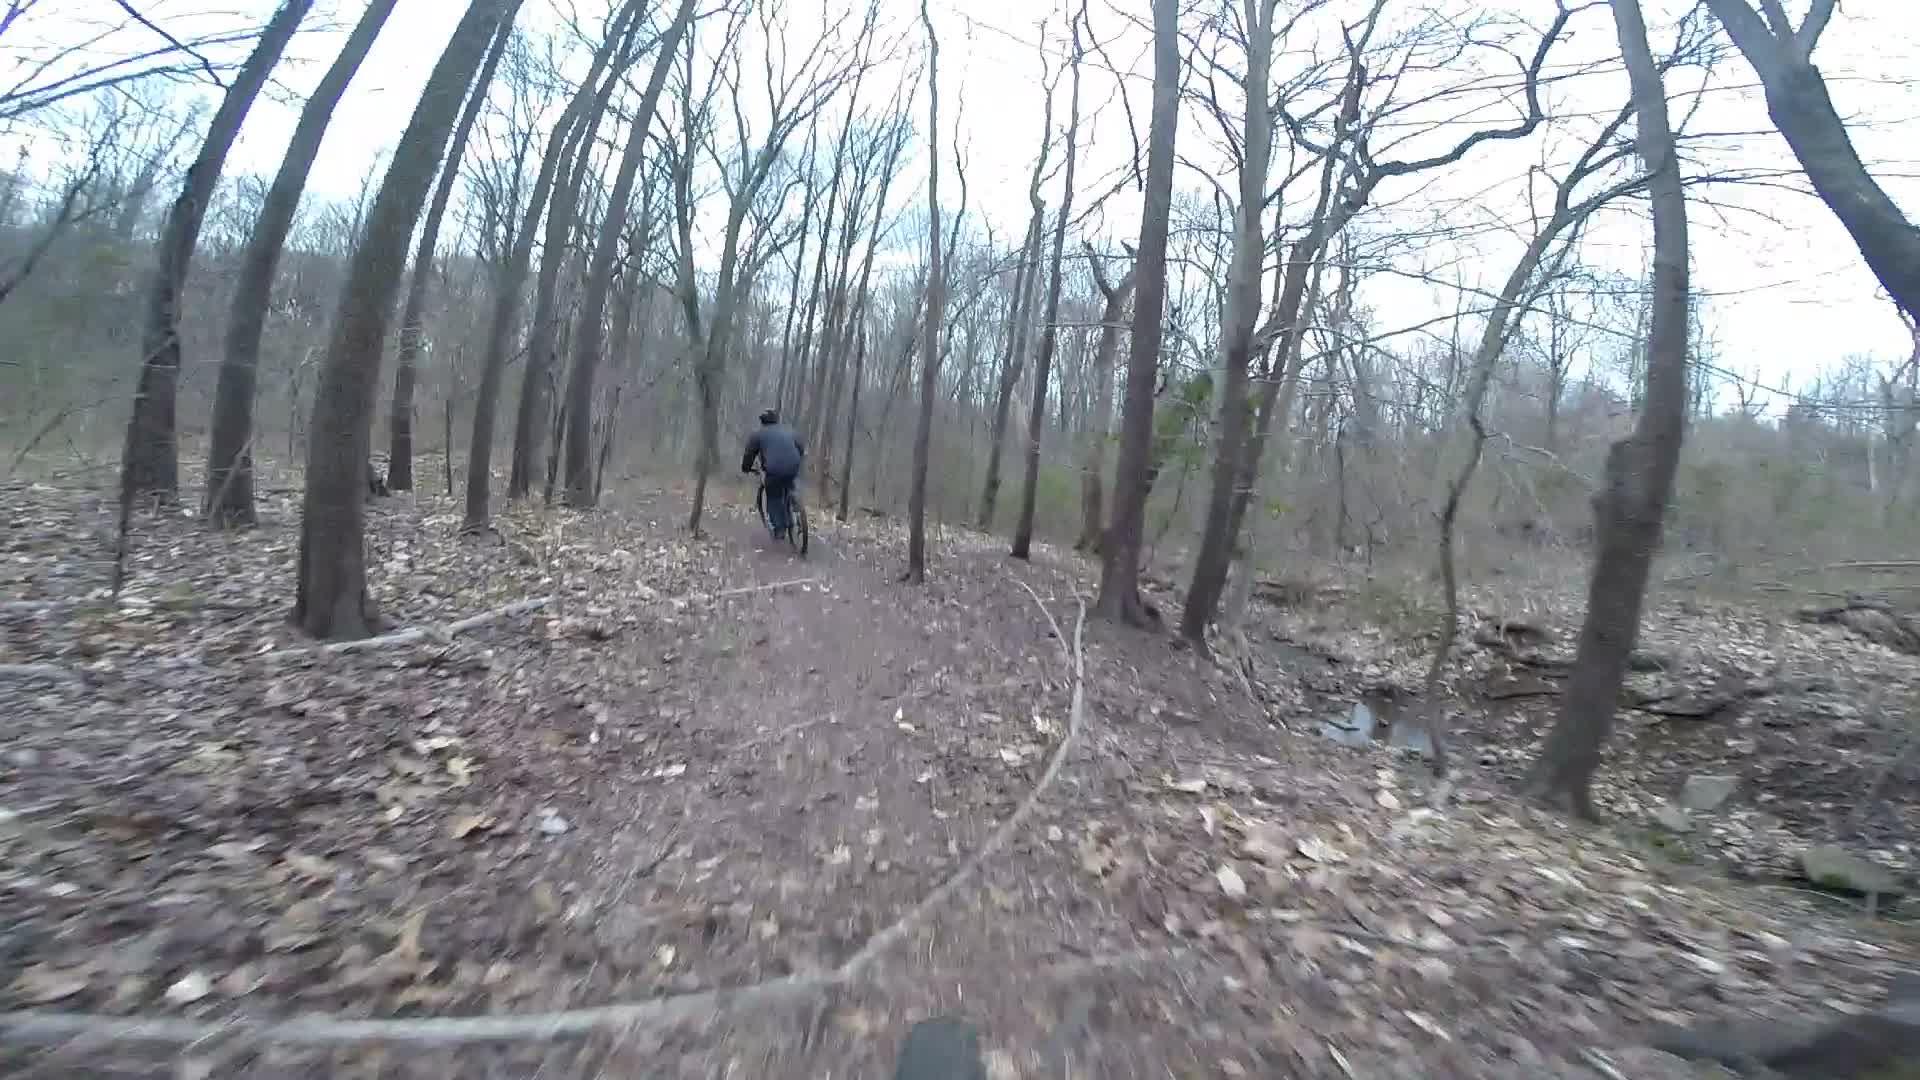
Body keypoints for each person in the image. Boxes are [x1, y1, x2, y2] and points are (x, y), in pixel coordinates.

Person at [741, 408, 804, 539]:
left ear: (762, 422)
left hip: (774, 470)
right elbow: (801, 447)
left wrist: (746, 468)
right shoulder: (789, 431)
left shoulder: (758, 435)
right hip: (793, 465)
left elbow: (749, 455)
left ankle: (780, 528)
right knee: (789, 483)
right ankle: (797, 507)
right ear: (776, 420)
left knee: (773, 495)